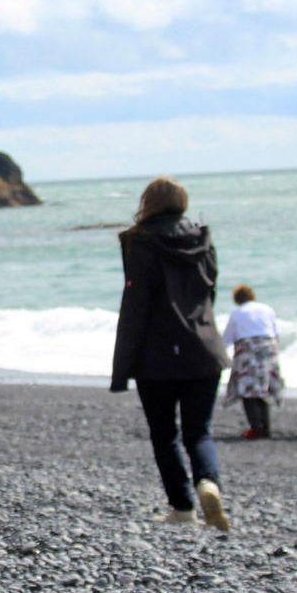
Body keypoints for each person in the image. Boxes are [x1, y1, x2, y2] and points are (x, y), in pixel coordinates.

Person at [110, 176, 231, 531]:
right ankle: (209, 483)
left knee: (165, 435)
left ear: (147, 202)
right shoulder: (203, 239)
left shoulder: (140, 241)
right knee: (200, 433)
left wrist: (122, 368)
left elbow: (136, 305)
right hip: (204, 350)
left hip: (156, 357)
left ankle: (182, 508)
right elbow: (209, 295)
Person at [221, 284, 284, 438]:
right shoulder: (267, 309)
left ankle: (256, 428)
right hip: (269, 348)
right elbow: (276, 333)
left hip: (248, 349)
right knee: (264, 389)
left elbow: (228, 338)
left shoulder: (237, 312)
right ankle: (266, 428)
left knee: (248, 390)